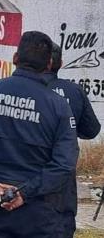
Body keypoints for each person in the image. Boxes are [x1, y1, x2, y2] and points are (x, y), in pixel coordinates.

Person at [0, 31, 78, 237]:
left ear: (15, 58)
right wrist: (24, 193)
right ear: (49, 64)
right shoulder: (58, 107)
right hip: (41, 215)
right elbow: (64, 163)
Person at [44, 44, 101, 238]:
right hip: (62, 180)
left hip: (23, 175)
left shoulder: (22, 89)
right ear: (59, 63)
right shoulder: (74, 91)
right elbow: (91, 130)